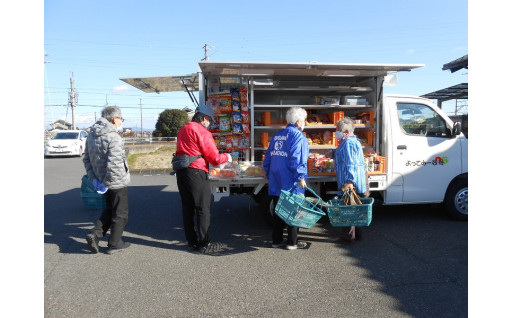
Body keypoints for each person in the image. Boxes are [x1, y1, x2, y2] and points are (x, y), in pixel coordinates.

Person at [175, 104, 232, 254]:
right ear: (204, 118)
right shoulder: (202, 131)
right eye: (210, 120)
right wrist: (228, 156)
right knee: (202, 208)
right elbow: (214, 158)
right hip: (196, 171)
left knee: (187, 208)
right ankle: (204, 244)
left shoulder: (183, 129)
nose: (210, 123)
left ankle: (192, 242)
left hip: (182, 171)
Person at [84, 106, 131, 254]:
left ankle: (95, 234)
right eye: (120, 118)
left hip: (100, 181)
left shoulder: (91, 135)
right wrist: (108, 181)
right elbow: (115, 164)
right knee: (121, 213)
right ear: (113, 119)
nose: (121, 121)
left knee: (110, 210)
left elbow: (86, 160)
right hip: (115, 181)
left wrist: (95, 180)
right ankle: (115, 243)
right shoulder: (113, 136)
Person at [263, 107, 309, 250]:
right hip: (291, 180)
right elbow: (297, 159)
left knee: (278, 211)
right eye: (304, 120)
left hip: (276, 180)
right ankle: (292, 243)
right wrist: (300, 177)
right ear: (299, 121)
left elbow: (268, 157)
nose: (305, 123)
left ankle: (276, 241)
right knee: (293, 212)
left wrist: (268, 172)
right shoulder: (298, 136)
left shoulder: (278, 135)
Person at [334, 117, 369, 242]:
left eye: (337, 130)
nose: (336, 132)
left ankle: (348, 237)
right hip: (353, 181)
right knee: (355, 208)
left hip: (350, 182)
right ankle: (357, 234)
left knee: (348, 209)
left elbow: (351, 163)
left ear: (345, 131)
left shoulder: (348, 143)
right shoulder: (350, 141)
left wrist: (349, 181)